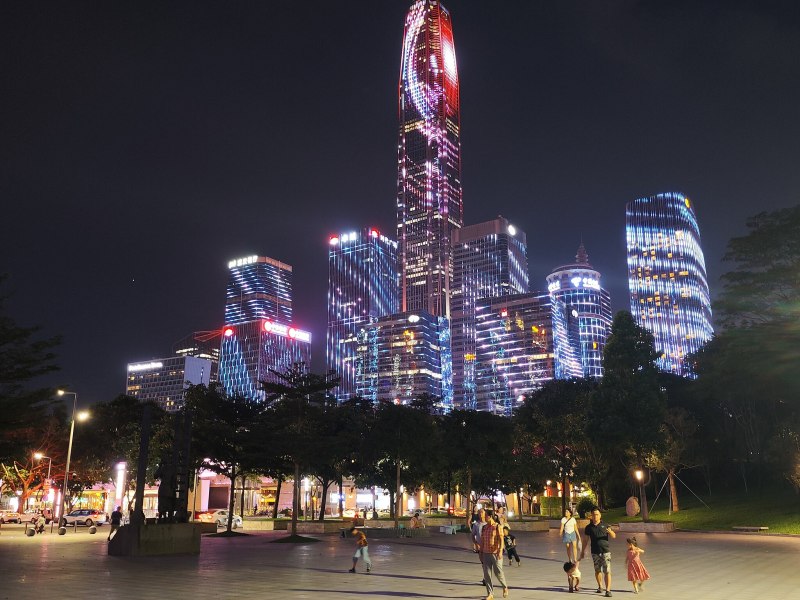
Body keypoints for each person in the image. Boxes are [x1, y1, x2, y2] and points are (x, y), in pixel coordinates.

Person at [579, 506, 616, 597]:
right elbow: (585, 540)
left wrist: (610, 532)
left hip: (606, 551)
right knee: (597, 570)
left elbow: (614, 536)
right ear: (591, 516)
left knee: (607, 571)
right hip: (595, 552)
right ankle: (600, 586)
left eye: (597, 514)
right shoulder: (588, 527)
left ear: (600, 515)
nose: (595, 516)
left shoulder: (605, 525)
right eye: (593, 515)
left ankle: (608, 590)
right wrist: (582, 551)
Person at [479, 511, 509, 600]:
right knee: (487, 575)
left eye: (485, 516)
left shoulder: (497, 527)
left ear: (490, 516)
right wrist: (480, 552)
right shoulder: (484, 528)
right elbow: (483, 541)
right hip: (486, 553)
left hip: (495, 553)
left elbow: (501, 539)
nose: (483, 518)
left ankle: (505, 587)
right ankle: (490, 594)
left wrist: (500, 551)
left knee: (498, 573)